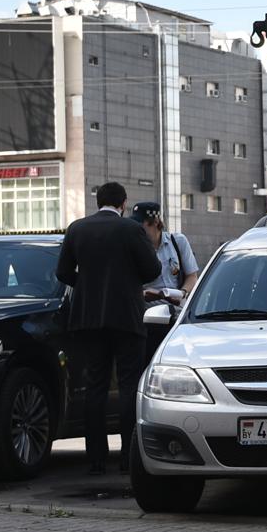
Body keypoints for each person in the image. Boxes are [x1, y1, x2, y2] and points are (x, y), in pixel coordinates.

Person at [56, 182, 161, 474]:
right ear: (123, 203)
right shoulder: (130, 230)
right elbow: (153, 270)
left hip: (88, 319)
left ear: (97, 201)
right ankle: (128, 455)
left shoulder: (77, 229)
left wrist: (89, 285)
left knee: (95, 386)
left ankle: (96, 458)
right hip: (127, 317)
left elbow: (62, 272)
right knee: (128, 385)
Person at [131, 201, 199, 306]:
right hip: (148, 314)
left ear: (155, 221)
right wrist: (143, 294)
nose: (136, 228)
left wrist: (182, 293)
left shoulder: (178, 241)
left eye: (140, 224)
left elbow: (192, 276)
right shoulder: (134, 248)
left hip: (178, 311)